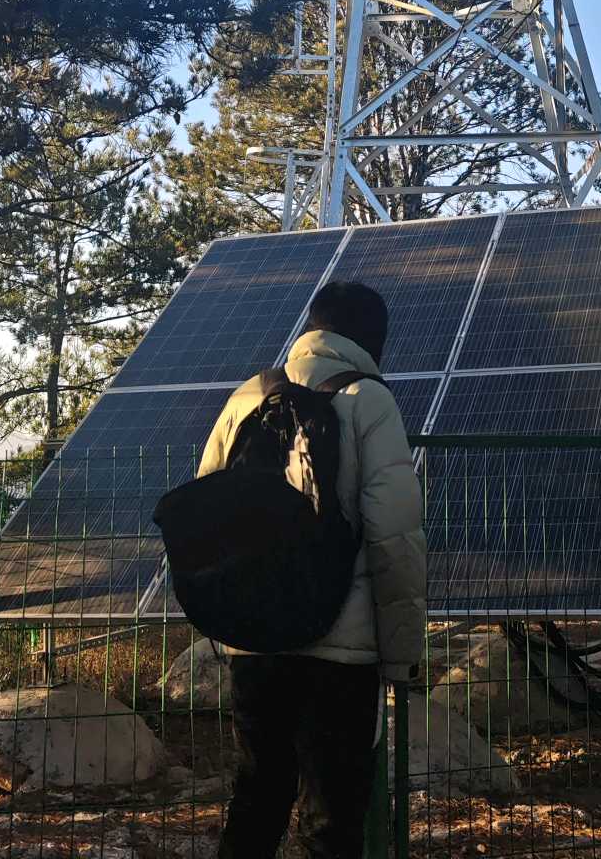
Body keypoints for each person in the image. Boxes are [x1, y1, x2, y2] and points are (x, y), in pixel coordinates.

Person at [197, 279, 427, 859]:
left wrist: (228, 626)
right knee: (331, 819)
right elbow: (394, 537)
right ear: (372, 341)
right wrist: (401, 655)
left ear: (313, 327)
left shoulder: (250, 396)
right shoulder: (369, 400)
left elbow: (208, 515)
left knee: (256, 798)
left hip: (256, 643)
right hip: (340, 654)